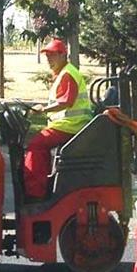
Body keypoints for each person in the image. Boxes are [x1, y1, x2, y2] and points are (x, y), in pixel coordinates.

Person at [23, 38, 91, 200]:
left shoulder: (68, 73)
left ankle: (35, 193)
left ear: (62, 55)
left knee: (36, 146)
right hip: (67, 125)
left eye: (52, 55)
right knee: (39, 145)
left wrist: (43, 110)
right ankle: (42, 185)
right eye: (47, 56)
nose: (48, 59)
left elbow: (67, 101)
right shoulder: (64, 73)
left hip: (71, 126)